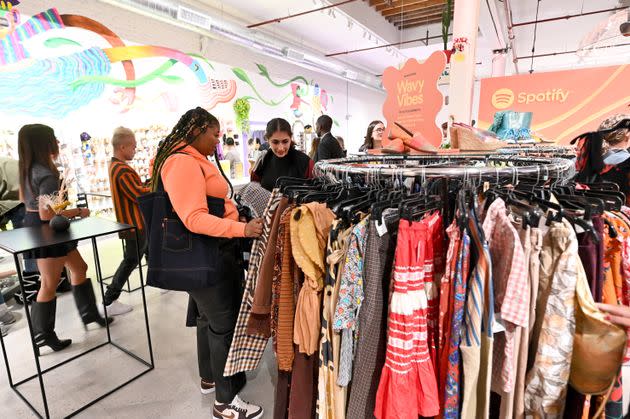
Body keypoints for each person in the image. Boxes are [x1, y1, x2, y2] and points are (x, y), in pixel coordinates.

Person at [152, 107, 264, 419]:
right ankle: (225, 403)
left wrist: (232, 214)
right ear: (197, 129)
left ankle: (210, 378)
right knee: (223, 325)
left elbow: (208, 204)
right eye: (214, 133)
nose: (217, 140)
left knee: (207, 320)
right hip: (208, 252)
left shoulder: (191, 158)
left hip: (208, 251)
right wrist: (241, 228)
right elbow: (194, 218)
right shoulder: (182, 161)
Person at [18, 124, 112, 355]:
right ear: (43, 143)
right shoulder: (47, 174)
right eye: (53, 138)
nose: (57, 141)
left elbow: (31, 206)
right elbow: (47, 213)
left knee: (79, 267)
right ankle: (43, 335)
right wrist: (78, 212)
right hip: (48, 231)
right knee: (49, 283)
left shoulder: (29, 170)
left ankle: (90, 314)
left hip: (41, 230)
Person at [106, 127, 149, 316]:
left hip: (136, 223)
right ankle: (109, 299)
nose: (135, 150)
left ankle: (162, 279)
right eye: (133, 146)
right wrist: (155, 186)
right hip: (134, 224)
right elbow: (138, 194)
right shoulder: (121, 168)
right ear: (122, 147)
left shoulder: (116, 166)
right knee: (131, 260)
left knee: (148, 251)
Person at [251, 118, 314, 191]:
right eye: (275, 142)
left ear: (290, 138)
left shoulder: (305, 163)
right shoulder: (263, 160)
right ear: (268, 140)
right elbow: (254, 190)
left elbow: (314, 194)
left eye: (285, 141)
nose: (280, 148)